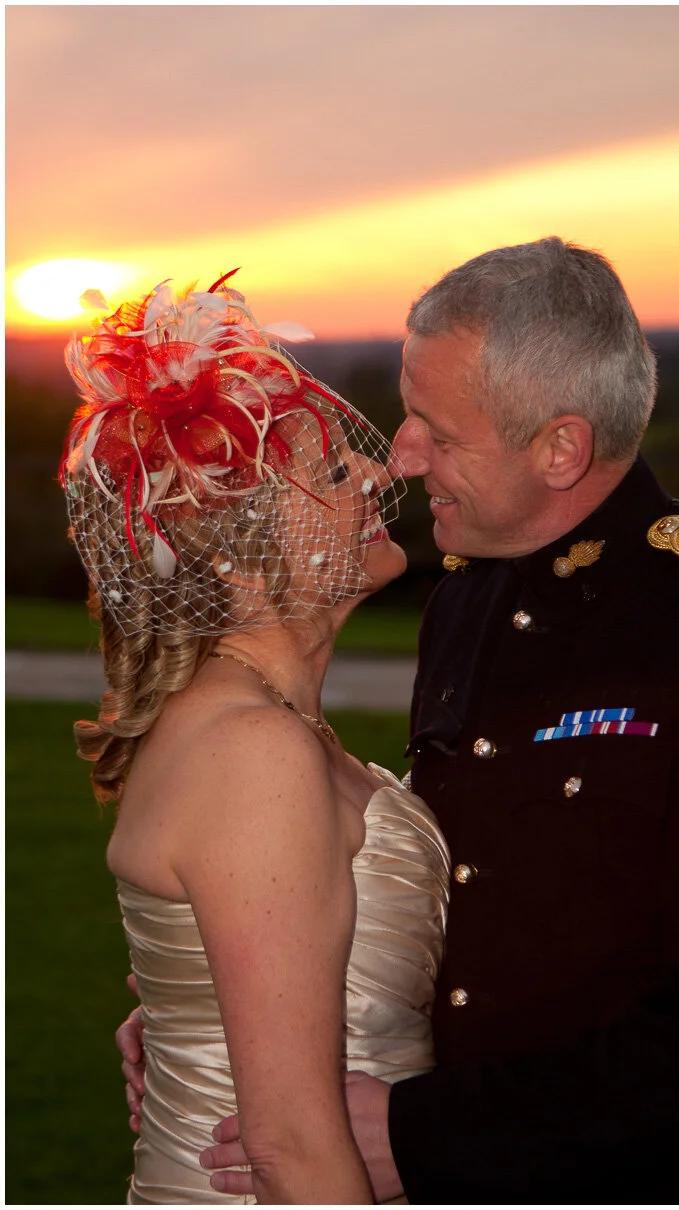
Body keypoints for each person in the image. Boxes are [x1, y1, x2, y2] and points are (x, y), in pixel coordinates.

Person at [123, 239, 679, 1203]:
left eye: (437, 432)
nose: (400, 456)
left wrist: (426, 1134)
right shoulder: (467, 601)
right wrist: (227, 1002)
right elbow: (461, 888)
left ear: (560, 449)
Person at [63, 273, 450, 1204]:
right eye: (335, 475)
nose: (379, 474)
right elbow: (289, 1146)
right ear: (237, 559)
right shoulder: (255, 753)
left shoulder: (267, 727)